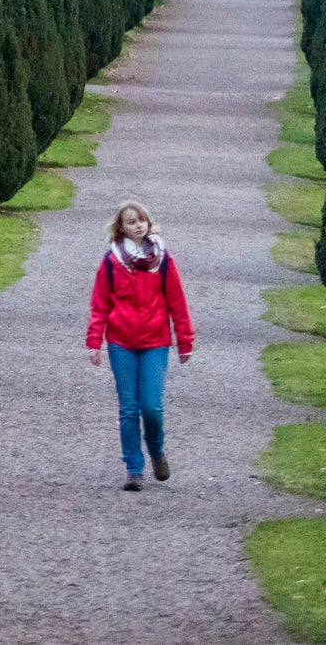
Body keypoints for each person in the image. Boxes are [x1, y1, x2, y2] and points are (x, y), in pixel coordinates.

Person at [86, 200, 194, 491]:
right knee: (128, 409)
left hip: (155, 342)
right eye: (132, 221)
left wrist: (185, 342)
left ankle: (157, 450)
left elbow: (177, 303)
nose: (138, 225)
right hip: (121, 342)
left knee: (151, 407)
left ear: (149, 223)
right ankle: (134, 469)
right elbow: (99, 305)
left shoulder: (163, 260)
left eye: (142, 220)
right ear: (121, 227)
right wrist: (94, 342)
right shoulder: (111, 262)